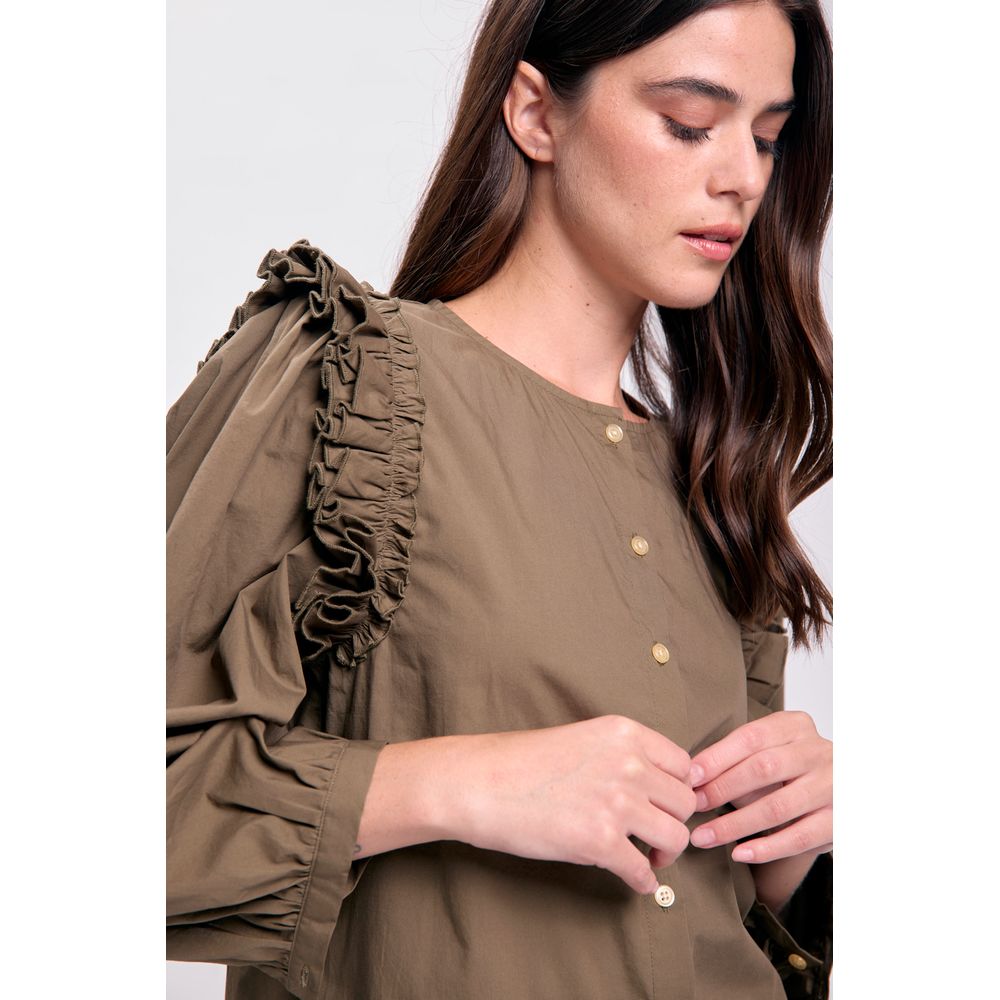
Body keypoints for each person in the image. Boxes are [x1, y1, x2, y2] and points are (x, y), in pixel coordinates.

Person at [166, 1, 833, 998]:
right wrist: (453, 784)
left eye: (768, 137)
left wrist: (793, 842)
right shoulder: (345, 389)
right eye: (690, 122)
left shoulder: (714, 478)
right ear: (535, 113)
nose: (743, 175)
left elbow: (716, 914)